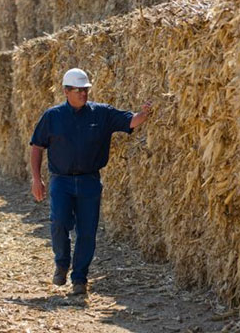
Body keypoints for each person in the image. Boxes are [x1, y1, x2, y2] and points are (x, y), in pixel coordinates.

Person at [30, 68, 151, 295]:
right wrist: (37, 179)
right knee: (58, 223)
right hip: (61, 182)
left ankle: (79, 279)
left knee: (87, 232)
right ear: (66, 91)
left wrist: (143, 114)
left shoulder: (101, 113)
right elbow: (37, 146)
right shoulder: (52, 116)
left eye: (86, 90)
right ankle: (62, 263)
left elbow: (130, 121)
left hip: (89, 182)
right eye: (78, 90)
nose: (83, 94)